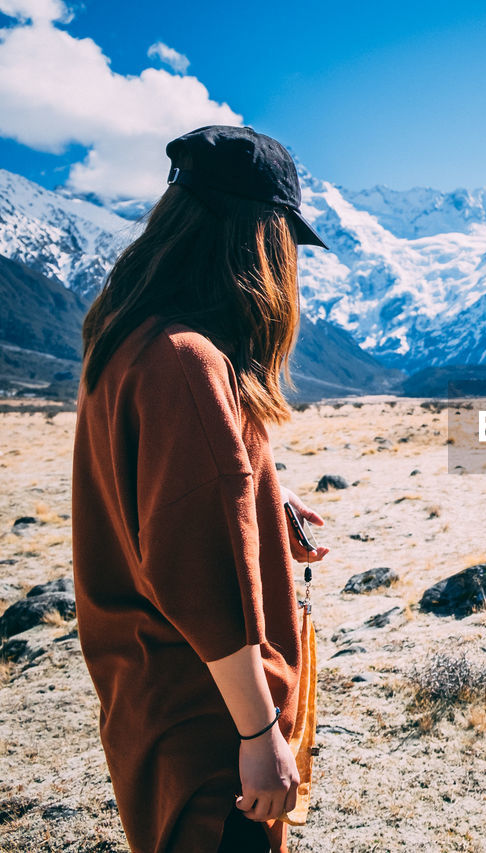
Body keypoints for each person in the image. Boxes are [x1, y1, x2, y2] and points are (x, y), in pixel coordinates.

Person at [73, 125, 331, 853]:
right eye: (283, 236)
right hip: (213, 741)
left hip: (158, 710)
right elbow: (197, 576)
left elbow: (157, 503)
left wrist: (261, 503)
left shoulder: (131, 339)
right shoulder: (187, 361)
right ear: (252, 237)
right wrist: (259, 733)